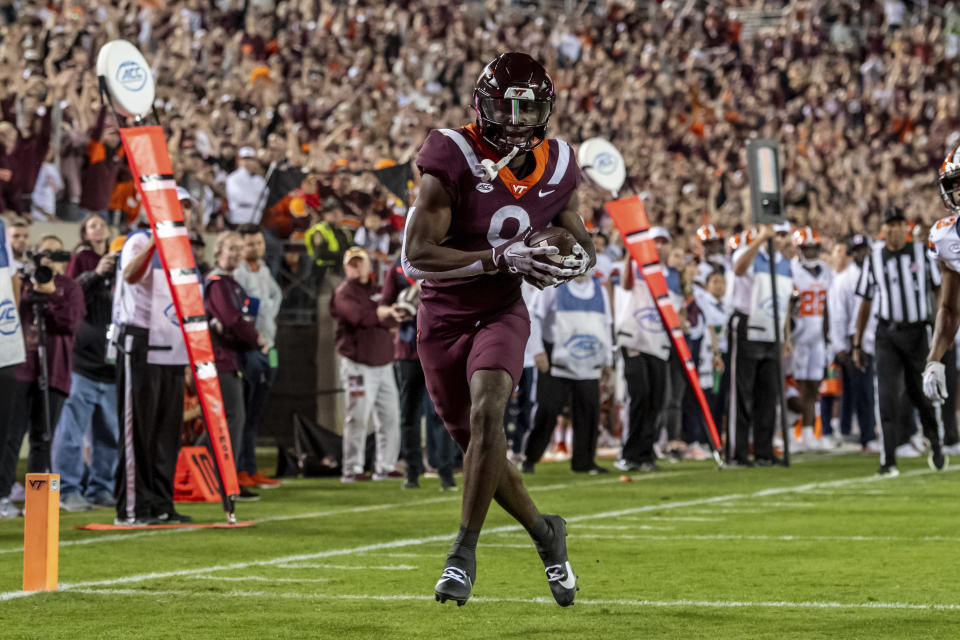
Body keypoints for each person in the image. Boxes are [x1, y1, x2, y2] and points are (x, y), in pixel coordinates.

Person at [402, 53, 590, 607]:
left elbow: (577, 232)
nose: (515, 120)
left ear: (546, 111)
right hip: (442, 317)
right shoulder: (452, 153)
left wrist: (580, 258)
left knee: (489, 413)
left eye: (528, 108)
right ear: (480, 106)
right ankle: (544, 532)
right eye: (504, 108)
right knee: (479, 446)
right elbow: (416, 257)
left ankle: (463, 551)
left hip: (501, 312)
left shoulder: (558, 162)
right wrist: (498, 257)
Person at [113, 209, 193, 525]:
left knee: (166, 431)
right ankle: (133, 507)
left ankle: (161, 503)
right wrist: (153, 244)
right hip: (142, 339)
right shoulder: (138, 240)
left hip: (170, 340)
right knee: (139, 429)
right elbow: (130, 275)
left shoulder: (182, 246)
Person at [854, 207, 945, 477]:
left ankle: (935, 441)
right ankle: (888, 459)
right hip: (887, 335)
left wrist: (944, 332)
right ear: (883, 229)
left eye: (897, 224)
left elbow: (940, 291)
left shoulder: (923, 254)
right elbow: (866, 303)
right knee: (886, 395)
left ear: (905, 227)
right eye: (889, 224)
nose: (893, 229)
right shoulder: (875, 260)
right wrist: (857, 342)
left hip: (918, 333)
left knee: (923, 393)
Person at [2, 236, 84, 494]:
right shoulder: (23, 284)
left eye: (56, 253)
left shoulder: (70, 287)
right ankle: (3, 494)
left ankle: (36, 499)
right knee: (9, 436)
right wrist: (27, 290)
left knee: (43, 438)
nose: (49, 259)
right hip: (21, 369)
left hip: (55, 371)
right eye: (44, 253)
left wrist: (51, 297)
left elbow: (71, 324)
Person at [53, 216, 120, 511]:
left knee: (109, 433)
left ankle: (101, 487)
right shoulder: (81, 259)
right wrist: (96, 273)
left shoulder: (123, 260)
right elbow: (72, 290)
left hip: (112, 363)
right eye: (92, 224)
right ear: (83, 232)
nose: (99, 227)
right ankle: (67, 489)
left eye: (102, 224)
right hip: (84, 363)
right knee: (71, 432)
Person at [523, 267, 612, 474]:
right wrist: (537, 351)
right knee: (547, 409)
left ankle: (584, 462)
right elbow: (534, 316)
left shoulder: (600, 289)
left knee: (588, 410)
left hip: (588, 356)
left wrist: (607, 359)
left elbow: (606, 325)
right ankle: (530, 457)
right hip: (555, 358)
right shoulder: (552, 285)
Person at [381, 258, 457, 490]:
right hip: (407, 349)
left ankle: (446, 472)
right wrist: (394, 311)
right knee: (409, 414)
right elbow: (383, 307)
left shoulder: (440, 258)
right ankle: (412, 472)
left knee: (441, 414)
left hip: (437, 347)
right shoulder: (398, 266)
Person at [330, 246, 402, 483]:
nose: (357, 267)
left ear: (369, 265)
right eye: (352, 263)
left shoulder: (378, 290)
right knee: (357, 417)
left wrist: (385, 314)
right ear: (346, 267)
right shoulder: (343, 292)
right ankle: (352, 468)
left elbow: (392, 315)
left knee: (390, 416)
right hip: (358, 364)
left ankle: (386, 465)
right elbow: (358, 317)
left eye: (360, 262)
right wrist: (385, 314)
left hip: (383, 362)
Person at [205, 231, 265, 500]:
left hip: (230, 358)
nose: (237, 253)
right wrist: (255, 338)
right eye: (232, 248)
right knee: (232, 418)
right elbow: (232, 321)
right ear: (218, 251)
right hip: (219, 360)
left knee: (229, 420)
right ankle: (222, 479)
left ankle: (214, 476)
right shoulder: (218, 284)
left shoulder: (231, 283)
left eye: (240, 249)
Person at [729, 223, 794, 466]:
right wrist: (758, 242)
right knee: (742, 393)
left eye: (782, 235)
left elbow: (785, 301)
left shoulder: (786, 263)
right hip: (748, 324)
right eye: (777, 234)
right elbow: (738, 269)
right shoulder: (748, 252)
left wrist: (786, 336)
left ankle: (764, 450)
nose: (779, 239)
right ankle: (738, 451)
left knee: (768, 395)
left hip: (772, 328)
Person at [233, 224, 283, 490]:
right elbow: (244, 308)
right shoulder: (239, 273)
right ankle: (241, 468)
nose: (256, 248)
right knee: (244, 409)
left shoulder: (263, 270)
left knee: (256, 412)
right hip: (251, 348)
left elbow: (276, 295)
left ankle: (250, 468)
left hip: (269, 347)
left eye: (258, 243)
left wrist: (267, 311)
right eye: (250, 244)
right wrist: (260, 314)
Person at [612, 256, 673, 472]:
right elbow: (626, 284)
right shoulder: (632, 267)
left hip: (658, 343)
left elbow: (677, 307)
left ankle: (646, 453)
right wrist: (631, 255)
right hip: (633, 339)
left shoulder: (669, 275)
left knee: (655, 400)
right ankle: (628, 453)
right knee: (639, 396)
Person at [828, 234, 880, 452]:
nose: (862, 254)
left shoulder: (877, 272)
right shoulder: (844, 279)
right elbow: (838, 314)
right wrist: (840, 345)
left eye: (864, 250)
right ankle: (866, 436)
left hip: (878, 336)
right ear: (852, 253)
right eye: (857, 251)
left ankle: (852, 431)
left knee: (866, 389)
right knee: (862, 390)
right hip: (855, 340)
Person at [923, 147, 960, 455]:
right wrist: (934, 358)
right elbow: (949, 308)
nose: (959, 190)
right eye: (956, 182)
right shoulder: (946, 238)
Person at [789, 227, 833, 451]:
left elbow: (829, 306)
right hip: (797, 334)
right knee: (792, 386)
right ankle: (786, 432)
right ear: (798, 249)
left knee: (813, 386)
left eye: (814, 247)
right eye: (806, 248)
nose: (811, 252)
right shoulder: (791, 269)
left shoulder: (826, 271)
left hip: (818, 334)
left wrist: (829, 336)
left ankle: (808, 432)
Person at [0, 216, 25, 518]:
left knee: (4, 429)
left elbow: (14, 278)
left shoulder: (1, 226)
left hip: (4, 350)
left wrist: (10, 326)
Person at [225, 147, 266, 226]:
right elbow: (241, 197)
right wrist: (257, 199)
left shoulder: (259, 179)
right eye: (244, 159)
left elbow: (266, 198)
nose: (247, 162)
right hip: (239, 218)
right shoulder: (232, 178)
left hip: (257, 218)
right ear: (239, 161)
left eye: (250, 159)